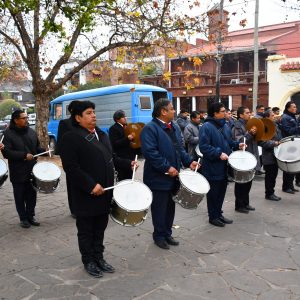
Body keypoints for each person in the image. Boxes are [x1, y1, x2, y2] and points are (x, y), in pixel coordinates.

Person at [60, 101, 117, 278]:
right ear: (78, 118)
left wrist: (127, 163)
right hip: (86, 195)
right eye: (89, 113)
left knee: (100, 229)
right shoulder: (71, 137)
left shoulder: (101, 134)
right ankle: (89, 261)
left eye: (94, 112)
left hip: (105, 193)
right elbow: (71, 167)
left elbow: (111, 158)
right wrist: (91, 185)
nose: (93, 115)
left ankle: (99, 257)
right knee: (86, 231)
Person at [141, 99, 199, 249]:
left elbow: (179, 149)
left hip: (173, 176)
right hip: (158, 178)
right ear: (163, 111)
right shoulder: (150, 128)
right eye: (172, 109)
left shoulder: (173, 126)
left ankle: (167, 233)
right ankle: (159, 236)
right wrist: (167, 168)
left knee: (170, 207)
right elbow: (151, 153)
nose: (174, 111)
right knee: (159, 208)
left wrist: (188, 162)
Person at [199, 102, 244, 227]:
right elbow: (204, 147)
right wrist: (218, 154)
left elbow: (228, 142)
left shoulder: (225, 126)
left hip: (224, 166)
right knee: (213, 193)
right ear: (215, 113)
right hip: (212, 166)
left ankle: (219, 214)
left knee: (221, 192)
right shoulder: (206, 127)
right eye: (223, 111)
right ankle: (213, 217)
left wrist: (237, 145)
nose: (226, 113)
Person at [1, 110, 45, 228]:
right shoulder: (7, 134)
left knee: (32, 194)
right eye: (23, 118)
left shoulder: (31, 132)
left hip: (32, 169)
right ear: (16, 120)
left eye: (26, 118)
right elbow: (6, 153)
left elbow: (36, 148)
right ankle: (23, 218)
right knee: (19, 195)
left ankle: (31, 215)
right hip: (18, 170)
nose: (27, 120)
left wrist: (44, 151)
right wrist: (23, 155)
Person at [56, 100, 80, 217]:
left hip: (84, 159)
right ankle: (74, 209)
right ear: (72, 111)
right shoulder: (65, 123)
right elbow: (60, 143)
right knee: (72, 185)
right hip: (71, 160)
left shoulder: (84, 123)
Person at [232, 106, 259, 213]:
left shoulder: (250, 124)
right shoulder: (237, 126)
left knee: (248, 180)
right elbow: (239, 141)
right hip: (242, 158)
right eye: (247, 113)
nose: (249, 114)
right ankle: (239, 205)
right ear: (241, 115)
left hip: (250, 155)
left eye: (249, 113)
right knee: (241, 182)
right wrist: (250, 133)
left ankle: (246, 203)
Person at [258, 109, 282, 201]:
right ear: (267, 117)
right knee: (270, 176)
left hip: (276, 154)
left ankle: (271, 192)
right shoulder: (264, 127)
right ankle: (269, 194)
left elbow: (279, 137)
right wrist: (275, 143)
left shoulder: (274, 124)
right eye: (272, 115)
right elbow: (262, 142)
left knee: (274, 175)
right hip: (268, 155)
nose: (274, 116)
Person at [109, 110, 135, 181]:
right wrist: (127, 138)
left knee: (130, 178)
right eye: (123, 117)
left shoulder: (127, 127)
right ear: (117, 119)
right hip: (121, 159)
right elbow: (115, 143)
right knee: (123, 180)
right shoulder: (113, 128)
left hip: (130, 158)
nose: (125, 118)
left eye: (125, 116)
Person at [280, 101, 300, 194]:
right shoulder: (285, 117)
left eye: (295, 107)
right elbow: (288, 131)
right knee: (288, 166)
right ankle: (286, 186)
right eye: (294, 107)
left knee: (293, 165)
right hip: (288, 144)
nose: (295, 108)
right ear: (288, 108)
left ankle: (291, 185)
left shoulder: (292, 116)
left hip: (293, 143)